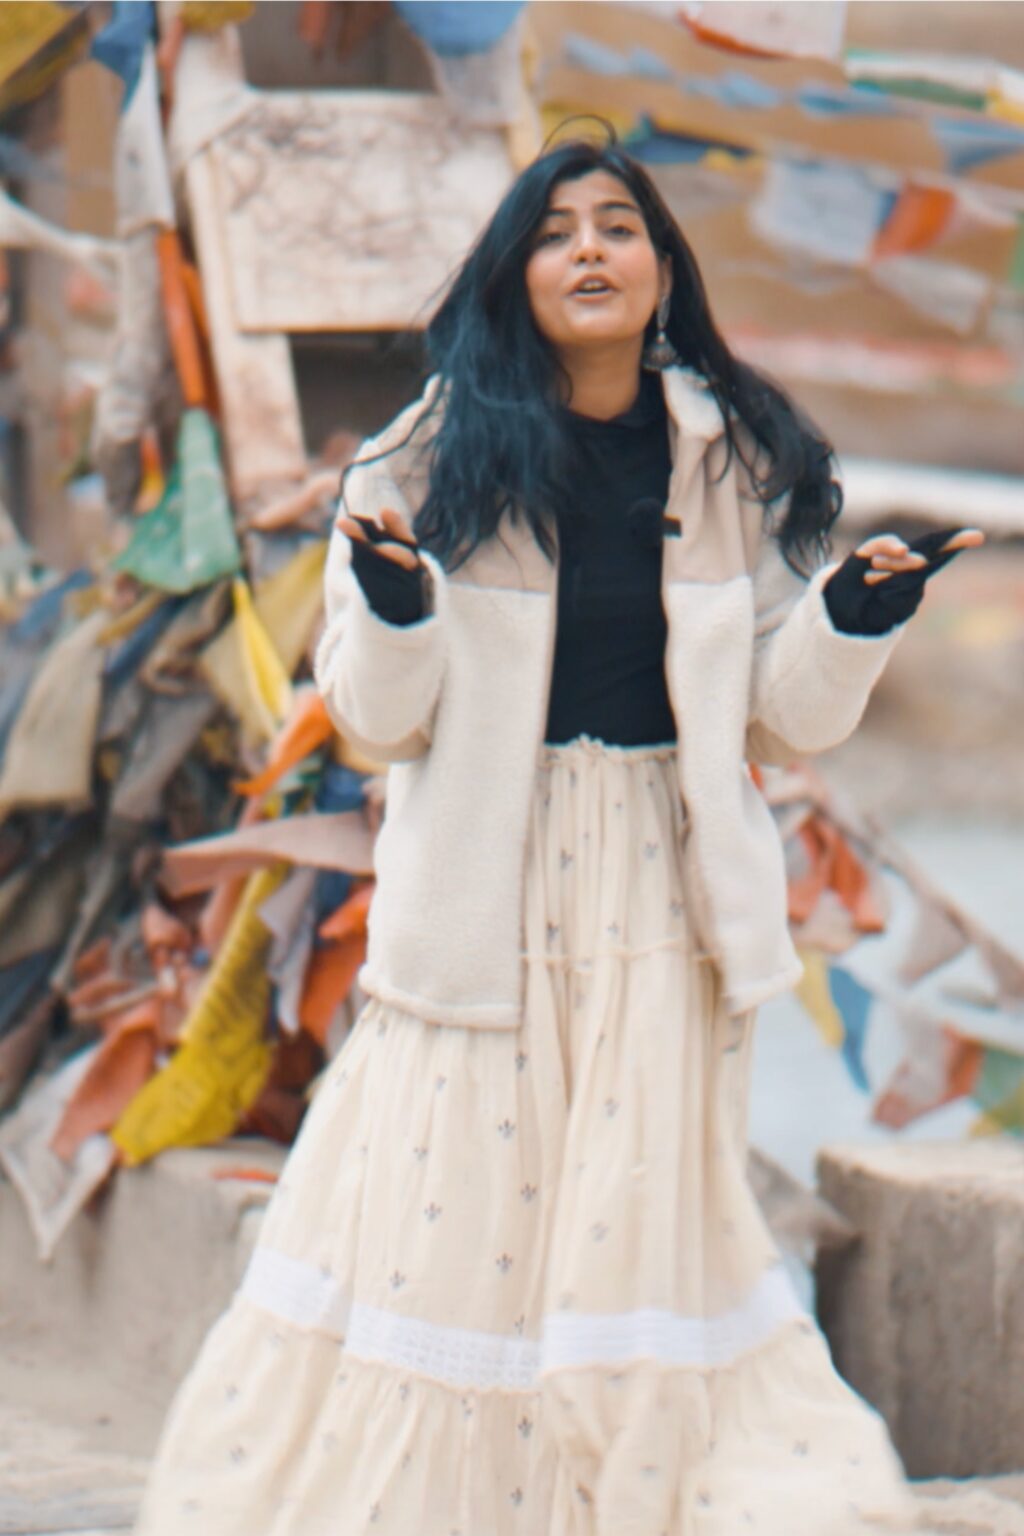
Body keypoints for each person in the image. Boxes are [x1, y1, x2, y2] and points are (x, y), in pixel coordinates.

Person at [133, 137, 989, 1536]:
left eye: (619, 226)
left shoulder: (742, 459)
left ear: (663, 269)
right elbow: (374, 721)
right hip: (482, 878)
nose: (590, 249)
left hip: (663, 883)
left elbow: (782, 721)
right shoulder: (419, 459)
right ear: (514, 274)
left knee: (631, 1219)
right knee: (449, 1209)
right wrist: (398, 611)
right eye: (555, 231)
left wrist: (853, 619)